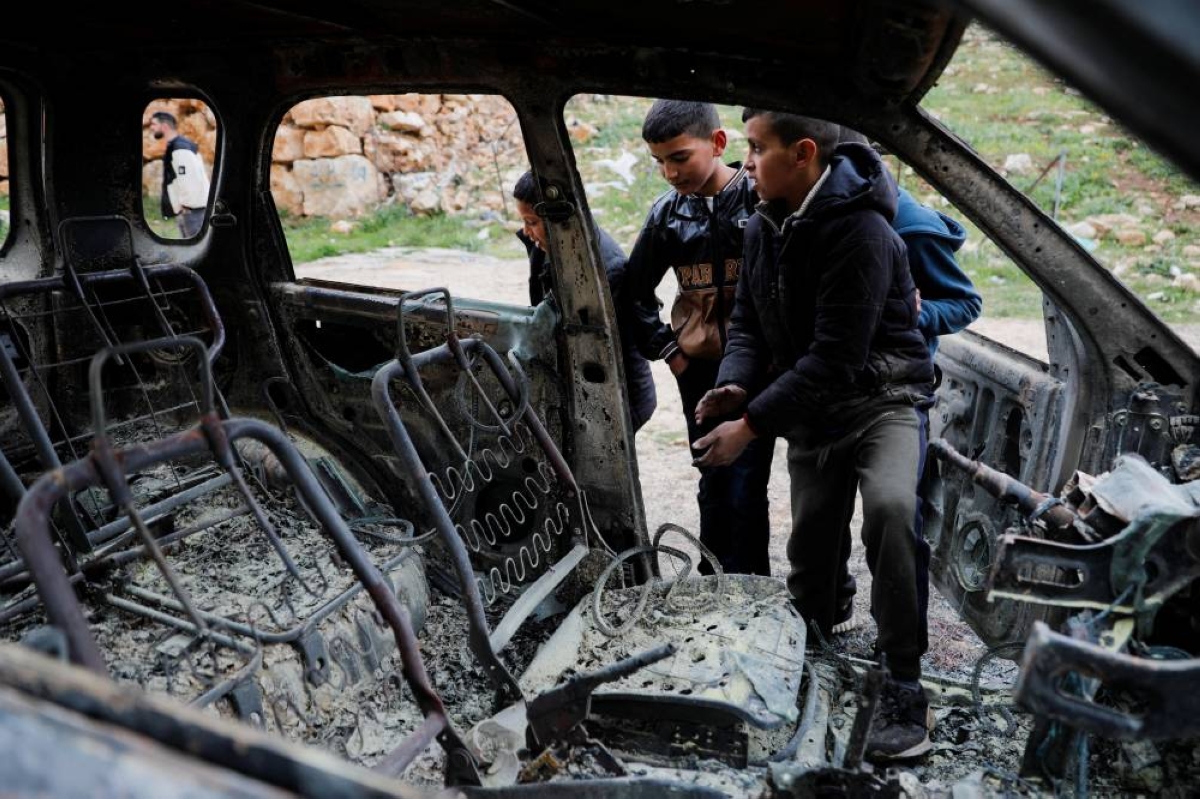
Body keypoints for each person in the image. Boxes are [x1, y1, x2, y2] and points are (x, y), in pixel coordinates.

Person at [693, 109, 935, 761]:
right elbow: (749, 323)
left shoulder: (863, 231)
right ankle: (812, 653)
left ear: (803, 153)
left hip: (883, 399)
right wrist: (735, 384)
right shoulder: (762, 224)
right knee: (812, 546)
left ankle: (903, 683)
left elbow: (836, 358)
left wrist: (750, 426)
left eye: (756, 148)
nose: (745, 162)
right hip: (815, 407)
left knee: (891, 511)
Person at [826, 129, 983, 634]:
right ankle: (830, 611)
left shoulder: (912, 227)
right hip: (830, 388)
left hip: (896, 393)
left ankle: (898, 644)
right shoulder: (817, 215)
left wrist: (912, 313)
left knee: (893, 516)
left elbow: (965, 303)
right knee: (822, 517)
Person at [625, 99, 773, 576]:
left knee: (747, 483)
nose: (669, 173)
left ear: (718, 143)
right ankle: (714, 588)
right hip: (698, 370)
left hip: (756, 371)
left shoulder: (760, 199)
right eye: (659, 162)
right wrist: (671, 353)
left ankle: (750, 587)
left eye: (680, 157)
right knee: (712, 478)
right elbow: (632, 293)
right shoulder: (665, 215)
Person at [512, 170, 656, 431]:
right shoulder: (548, 245)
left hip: (619, 395)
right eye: (524, 221)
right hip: (582, 385)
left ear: (560, 219)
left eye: (531, 222)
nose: (526, 231)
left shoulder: (606, 268)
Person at [148, 111, 211, 238]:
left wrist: (185, 207)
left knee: (194, 246)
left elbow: (189, 180)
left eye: (154, 124)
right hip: (189, 212)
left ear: (164, 126)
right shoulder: (177, 146)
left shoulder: (180, 148)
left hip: (192, 212)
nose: (151, 127)